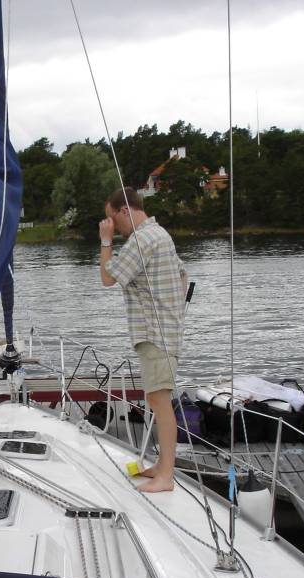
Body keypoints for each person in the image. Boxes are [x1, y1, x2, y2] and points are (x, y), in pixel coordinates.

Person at [98, 187, 188, 493]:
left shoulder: (142, 239)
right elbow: (182, 276)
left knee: (160, 402)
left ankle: (167, 477)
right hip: (165, 332)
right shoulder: (160, 234)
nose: (112, 226)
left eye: (112, 219)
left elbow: (108, 278)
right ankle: (162, 467)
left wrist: (106, 241)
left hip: (156, 334)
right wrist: (173, 311)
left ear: (125, 210)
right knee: (155, 399)